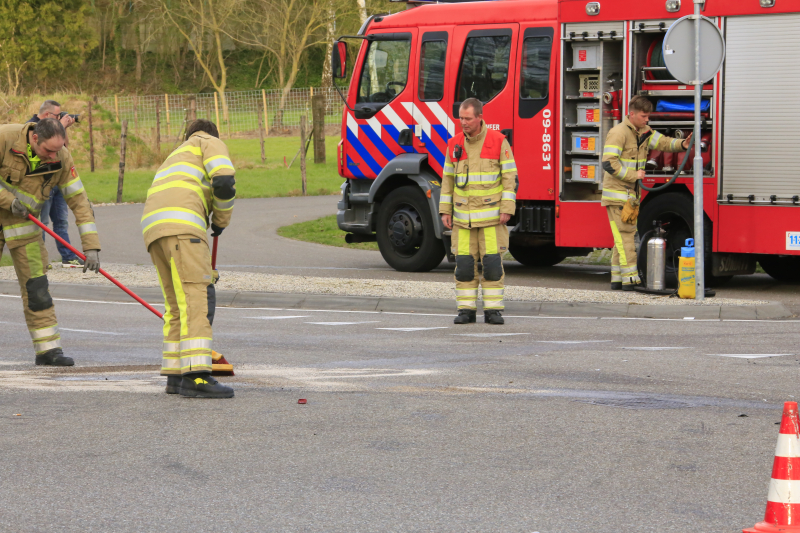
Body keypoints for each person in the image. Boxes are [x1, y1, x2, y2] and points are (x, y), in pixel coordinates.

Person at [142, 119, 236, 398]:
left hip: (154, 231)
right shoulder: (209, 142)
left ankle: (175, 376)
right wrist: (220, 221)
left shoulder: (176, 154)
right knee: (196, 300)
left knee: (176, 305)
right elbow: (224, 182)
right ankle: (197, 377)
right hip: (184, 230)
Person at [0, 118, 101, 365]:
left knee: (38, 291)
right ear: (35, 138)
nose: (53, 157)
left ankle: (48, 351)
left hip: (25, 232)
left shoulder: (61, 156)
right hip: (7, 212)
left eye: (58, 150)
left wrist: (91, 247)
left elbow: (79, 201)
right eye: (48, 151)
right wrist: (8, 201)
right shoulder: (5, 138)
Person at [601, 95, 692, 291]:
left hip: (629, 196)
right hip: (618, 195)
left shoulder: (644, 132)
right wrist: (634, 175)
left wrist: (682, 144)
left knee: (621, 238)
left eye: (648, 116)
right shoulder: (618, 133)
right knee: (626, 237)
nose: (647, 119)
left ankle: (617, 279)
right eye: (643, 116)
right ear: (632, 114)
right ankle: (630, 279)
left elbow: (663, 142)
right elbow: (608, 163)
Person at [440, 98, 517, 325]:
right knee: (464, 267)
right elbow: (447, 180)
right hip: (462, 220)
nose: (463, 122)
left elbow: (510, 178)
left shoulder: (498, 141)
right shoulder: (454, 144)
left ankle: (493, 311)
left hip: (492, 220)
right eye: (460, 118)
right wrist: (445, 211)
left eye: (468, 118)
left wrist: (507, 208)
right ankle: (466, 310)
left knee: (492, 266)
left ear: (480, 117)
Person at [28, 100, 82, 268]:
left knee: (61, 221)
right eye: (57, 116)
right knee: (42, 223)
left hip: (59, 181)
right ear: (47, 114)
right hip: (44, 183)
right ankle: (41, 259)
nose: (60, 117)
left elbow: (64, 148)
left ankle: (68, 256)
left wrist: (63, 129)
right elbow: (34, 161)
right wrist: (60, 125)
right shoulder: (32, 128)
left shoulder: (57, 129)